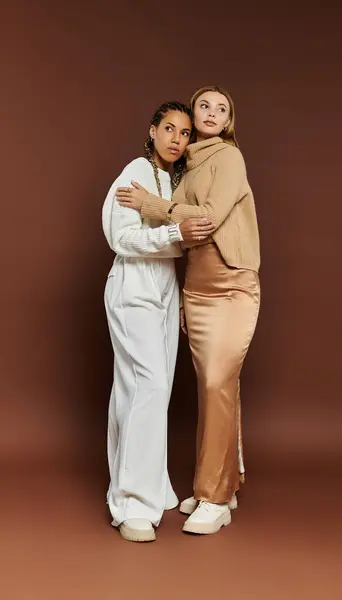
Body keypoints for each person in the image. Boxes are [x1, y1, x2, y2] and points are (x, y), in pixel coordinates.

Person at [116, 86, 261, 536]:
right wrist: (180, 296)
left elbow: (207, 220)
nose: (213, 113)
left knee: (218, 380)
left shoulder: (230, 158)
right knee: (215, 388)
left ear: (229, 119)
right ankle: (221, 484)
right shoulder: (186, 169)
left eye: (222, 108)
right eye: (204, 106)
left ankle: (215, 499)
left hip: (233, 284)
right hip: (196, 290)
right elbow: (186, 242)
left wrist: (151, 206)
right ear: (192, 117)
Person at [102, 100, 214, 543]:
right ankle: (130, 502)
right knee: (146, 384)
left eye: (185, 133)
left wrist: (181, 299)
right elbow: (120, 236)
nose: (176, 139)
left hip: (164, 288)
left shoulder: (174, 181)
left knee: (147, 387)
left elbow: (184, 239)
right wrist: (174, 233)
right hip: (133, 286)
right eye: (169, 129)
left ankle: (146, 484)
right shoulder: (134, 170)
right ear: (152, 131)